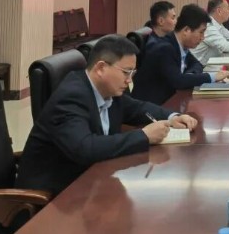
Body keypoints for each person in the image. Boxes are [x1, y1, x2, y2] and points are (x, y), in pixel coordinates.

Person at [16, 35, 197, 196]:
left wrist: (173, 117)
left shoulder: (107, 90)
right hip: (53, 196)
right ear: (101, 68)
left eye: (132, 73)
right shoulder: (71, 97)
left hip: (90, 182)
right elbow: (85, 148)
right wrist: (144, 136)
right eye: (126, 72)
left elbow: (137, 108)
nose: (129, 80)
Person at [132, 4, 229, 104]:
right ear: (186, 30)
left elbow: (197, 64)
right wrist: (212, 76)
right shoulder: (164, 48)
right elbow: (178, 81)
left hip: (170, 99)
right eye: (201, 32)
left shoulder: (180, 45)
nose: (203, 37)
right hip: (152, 106)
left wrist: (189, 77)